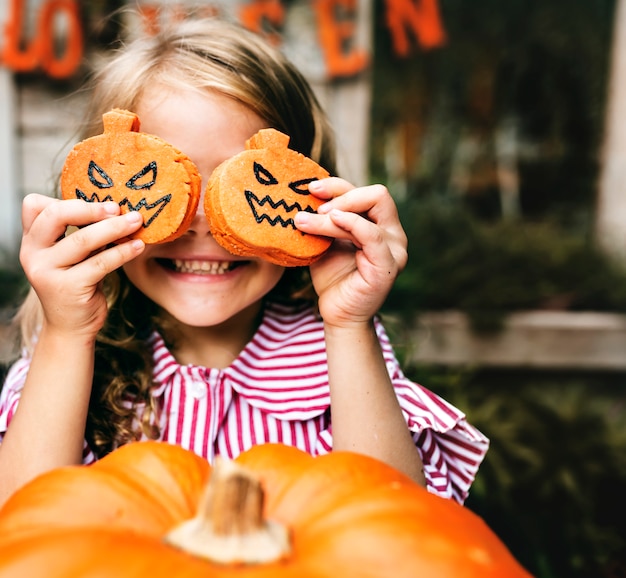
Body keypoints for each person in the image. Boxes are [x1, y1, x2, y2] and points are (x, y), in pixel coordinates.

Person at [0, 15, 488, 507]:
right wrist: (66, 335)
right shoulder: (68, 355)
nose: (205, 225)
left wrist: (348, 325)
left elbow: (393, 528)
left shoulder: (340, 353)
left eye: (241, 189)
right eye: (170, 189)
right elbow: (21, 530)